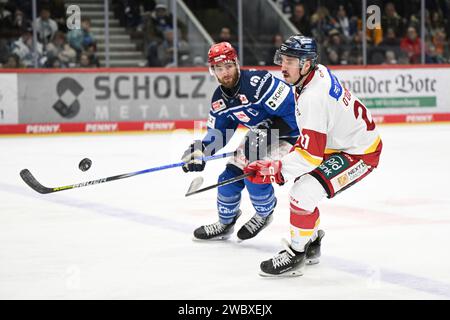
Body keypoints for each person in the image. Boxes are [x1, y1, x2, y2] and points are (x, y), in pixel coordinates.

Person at [243, 35, 383, 277]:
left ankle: (296, 254)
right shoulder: (316, 74)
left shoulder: (313, 98)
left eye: (289, 61)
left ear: (306, 64)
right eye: (282, 60)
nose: (282, 67)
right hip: (341, 143)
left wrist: (274, 169)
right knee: (304, 188)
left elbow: (310, 156)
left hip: (360, 153)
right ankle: (312, 240)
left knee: (302, 193)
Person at [182, 42, 299, 241]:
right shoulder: (220, 99)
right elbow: (219, 132)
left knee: (253, 173)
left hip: (292, 135)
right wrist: (201, 150)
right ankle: (225, 223)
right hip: (259, 136)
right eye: (219, 68)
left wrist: (267, 131)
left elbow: (294, 112)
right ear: (213, 71)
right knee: (228, 178)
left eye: (228, 66)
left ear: (236, 64)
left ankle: (264, 214)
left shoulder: (258, 81)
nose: (225, 72)